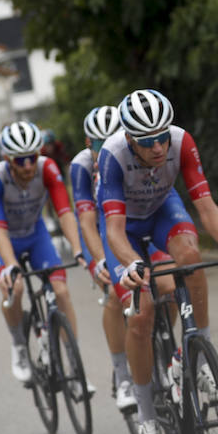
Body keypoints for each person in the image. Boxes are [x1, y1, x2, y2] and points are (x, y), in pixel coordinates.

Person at [97, 89, 218, 434]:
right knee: (141, 314)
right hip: (125, 228)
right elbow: (115, 231)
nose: (157, 147)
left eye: (161, 137)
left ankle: (198, 355)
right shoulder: (113, 155)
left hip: (163, 209)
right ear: (131, 139)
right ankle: (148, 418)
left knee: (189, 257)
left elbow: (204, 204)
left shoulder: (181, 141)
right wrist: (133, 265)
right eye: (147, 141)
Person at [0, 121, 87, 384]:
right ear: (8, 159)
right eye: (21, 160)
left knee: (62, 291)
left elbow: (65, 212)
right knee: (15, 288)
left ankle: (75, 366)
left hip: (35, 234)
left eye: (32, 157)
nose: (28, 165)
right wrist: (10, 266)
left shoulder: (48, 168)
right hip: (6, 237)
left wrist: (78, 249)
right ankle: (19, 345)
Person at [69, 106, 135, 416]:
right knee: (112, 292)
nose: (104, 149)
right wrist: (98, 261)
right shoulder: (81, 167)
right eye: (98, 143)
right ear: (87, 144)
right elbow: (86, 221)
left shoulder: (127, 154)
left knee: (163, 286)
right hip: (96, 231)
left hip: (126, 224)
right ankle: (122, 374)